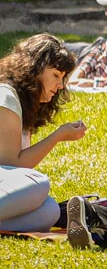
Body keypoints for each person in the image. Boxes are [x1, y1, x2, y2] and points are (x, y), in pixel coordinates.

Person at [0, 35, 88, 237]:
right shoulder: (6, 95)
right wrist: (57, 136)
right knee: (39, 183)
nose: (61, 85)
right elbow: (10, 164)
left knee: (50, 210)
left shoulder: (24, 103)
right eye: (56, 75)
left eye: (63, 77)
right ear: (34, 70)